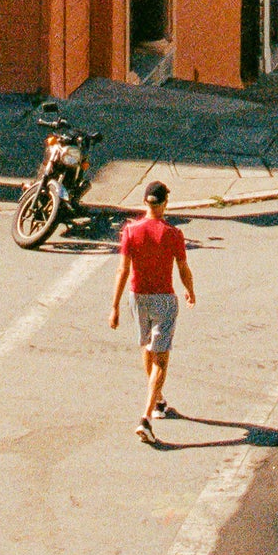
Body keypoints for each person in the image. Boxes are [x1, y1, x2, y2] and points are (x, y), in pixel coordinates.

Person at [109, 177, 195, 441]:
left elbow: (123, 270)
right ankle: (145, 417)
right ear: (165, 203)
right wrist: (190, 290)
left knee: (147, 347)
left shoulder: (130, 231)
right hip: (163, 300)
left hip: (138, 298)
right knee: (161, 359)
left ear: (145, 202)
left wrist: (114, 307)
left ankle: (158, 401)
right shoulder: (173, 234)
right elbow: (182, 268)